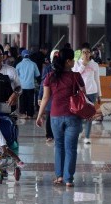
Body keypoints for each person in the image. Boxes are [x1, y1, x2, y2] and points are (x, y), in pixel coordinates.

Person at [36, 48, 84, 187]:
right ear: (68, 62)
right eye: (73, 59)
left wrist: (39, 115)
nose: (74, 62)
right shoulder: (76, 76)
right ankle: (69, 179)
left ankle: (59, 177)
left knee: (59, 146)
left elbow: (45, 98)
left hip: (55, 116)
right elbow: (83, 95)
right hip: (73, 116)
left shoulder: (50, 76)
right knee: (71, 148)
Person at [72, 42, 101, 145]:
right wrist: (83, 65)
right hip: (80, 93)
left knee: (90, 115)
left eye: (88, 52)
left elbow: (97, 80)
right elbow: (75, 76)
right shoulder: (77, 64)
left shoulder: (94, 64)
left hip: (92, 92)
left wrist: (99, 95)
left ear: (91, 53)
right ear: (81, 53)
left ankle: (87, 137)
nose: (86, 54)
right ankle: (79, 131)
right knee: (79, 114)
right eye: (84, 52)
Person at [38, 49, 59, 142]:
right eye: (55, 56)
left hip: (59, 96)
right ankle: (49, 135)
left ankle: (57, 134)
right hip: (49, 95)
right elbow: (43, 83)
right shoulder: (47, 68)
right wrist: (40, 96)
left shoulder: (65, 69)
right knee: (49, 115)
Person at [16, 49, 41, 119]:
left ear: (22, 56)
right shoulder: (33, 64)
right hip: (31, 86)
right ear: (29, 56)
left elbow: (16, 76)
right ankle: (30, 114)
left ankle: (23, 114)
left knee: (22, 100)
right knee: (30, 101)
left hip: (22, 86)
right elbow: (37, 75)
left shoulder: (19, 65)